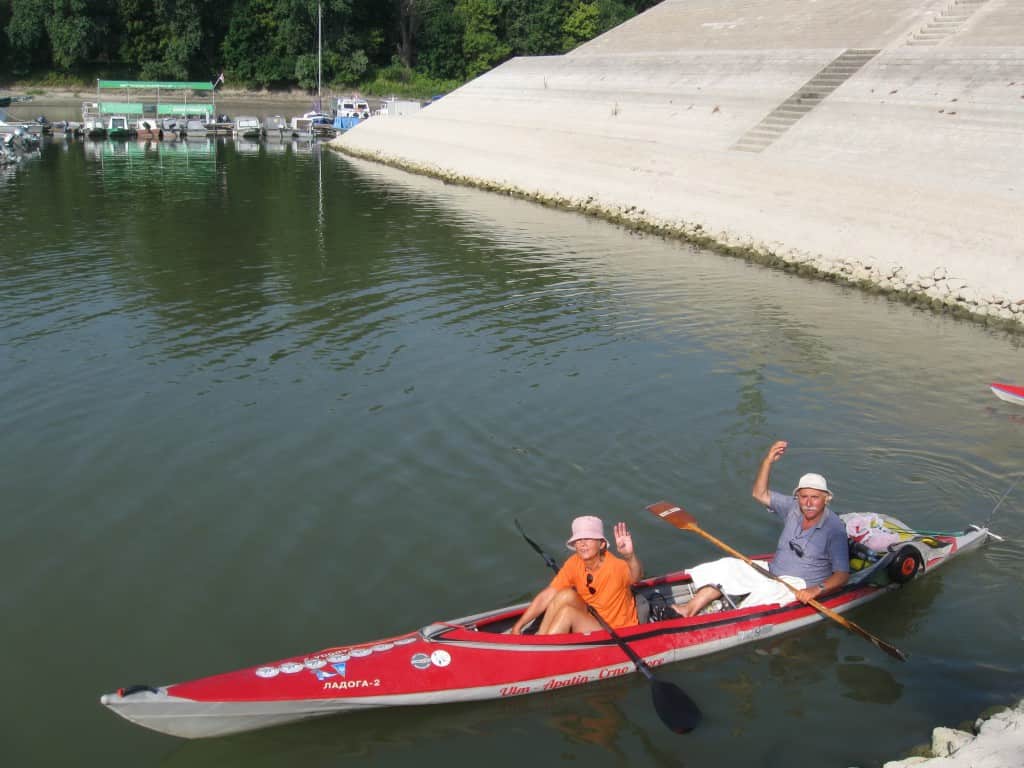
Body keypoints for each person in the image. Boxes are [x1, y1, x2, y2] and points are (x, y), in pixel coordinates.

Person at [673, 439, 850, 617]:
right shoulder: (793, 507)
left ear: (826, 498)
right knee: (726, 567)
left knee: (766, 592)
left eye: (815, 497)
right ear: (797, 496)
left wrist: (816, 590)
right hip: (772, 571)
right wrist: (767, 461)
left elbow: (842, 575)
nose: (809, 503)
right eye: (804, 497)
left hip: (800, 585)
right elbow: (759, 494)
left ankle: (727, 617)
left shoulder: (834, 529)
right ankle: (688, 609)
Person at [510, 516, 643, 635]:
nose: (582, 543)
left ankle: (542, 650)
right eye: (578, 540)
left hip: (616, 630)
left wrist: (629, 556)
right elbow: (547, 595)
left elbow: (635, 577)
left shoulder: (616, 566)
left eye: (588, 538)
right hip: (592, 616)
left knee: (568, 613)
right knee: (565, 594)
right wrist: (518, 626)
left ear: (601, 544)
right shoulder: (574, 563)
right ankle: (541, 638)